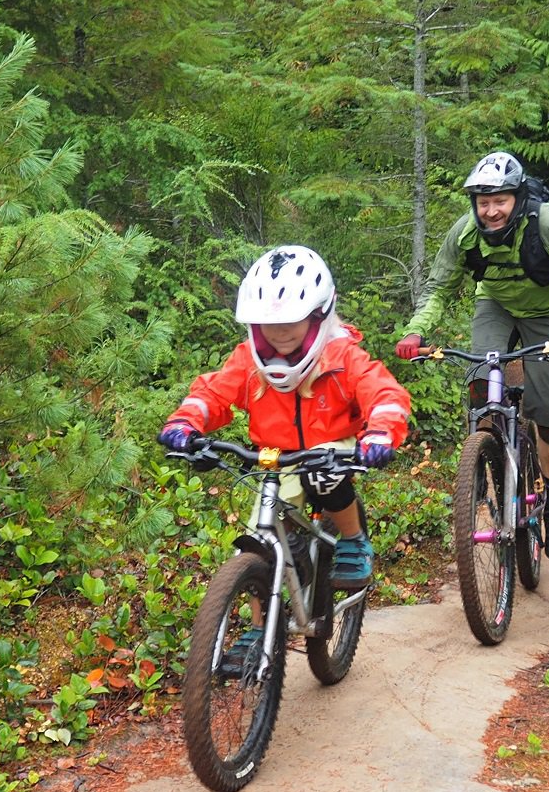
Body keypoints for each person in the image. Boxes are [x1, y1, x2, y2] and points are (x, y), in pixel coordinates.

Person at [395, 150, 549, 559]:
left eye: (500, 201)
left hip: (548, 312)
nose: (491, 211)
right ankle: (482, 457)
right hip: (494, 305)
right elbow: (438, 287)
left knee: (547, 411)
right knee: (480, 377)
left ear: (517, 197)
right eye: (483, 202)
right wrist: (415, 330)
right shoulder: (465, 233)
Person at [158, 245, 411, 588]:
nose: (279, 332)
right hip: (278, 457)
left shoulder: (341, 355)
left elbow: (383, 394)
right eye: (268, 323)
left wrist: (381, 433)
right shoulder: (249, 359)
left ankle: (353, 539)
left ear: (318, 315)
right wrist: (185, 422)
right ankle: (260, 629)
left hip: (334, 447)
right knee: (259, 544)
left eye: (291, 320)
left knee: (322, 476)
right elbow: (213, 392)